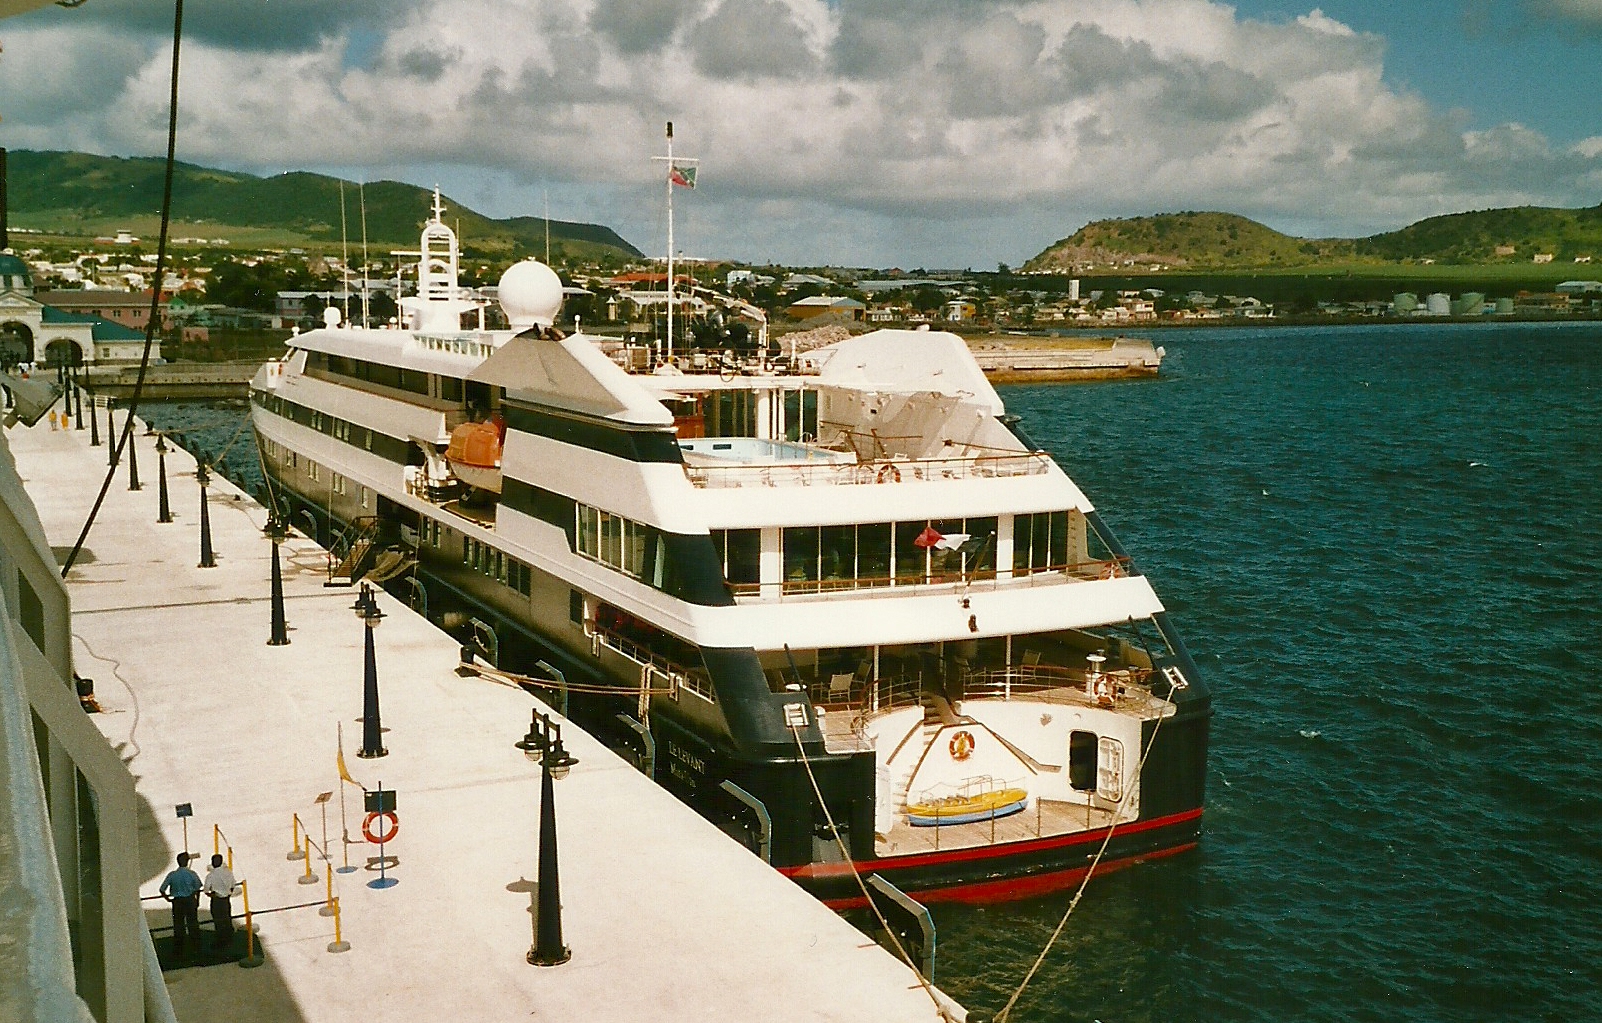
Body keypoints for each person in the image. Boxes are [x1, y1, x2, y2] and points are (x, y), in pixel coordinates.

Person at [159, 852, 203, 960]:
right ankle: (196, 947)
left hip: (177, 902)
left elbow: (162, 889)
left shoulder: (172, 875)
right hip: (189, 900)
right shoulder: (192, 874)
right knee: (193, 923)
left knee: (178, 925)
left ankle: (179, 949)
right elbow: (198, 887)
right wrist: (197, 900)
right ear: (187, 862)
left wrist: (168, 899)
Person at [203, 854, 239, 949]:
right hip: (226, 899)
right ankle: (229, 939)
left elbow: (206, 890)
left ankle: (221, 941)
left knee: (218, 921)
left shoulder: (210, 876)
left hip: (217, 900)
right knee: (227, 918)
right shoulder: (228, 872)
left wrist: (212, 895)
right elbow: (233, 884)